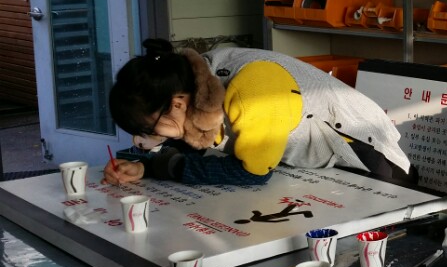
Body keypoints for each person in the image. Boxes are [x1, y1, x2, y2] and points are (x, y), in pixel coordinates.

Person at [102, 39, 414, 186]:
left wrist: (164, 165)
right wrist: (144, 165)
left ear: (177, 104)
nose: (145, 140)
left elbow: (251, 172)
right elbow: (195, 136)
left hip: (367, 161)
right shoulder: (197, 77)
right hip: (314, 169)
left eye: (149, 130)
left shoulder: (255, 91)